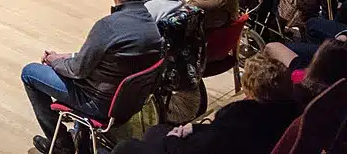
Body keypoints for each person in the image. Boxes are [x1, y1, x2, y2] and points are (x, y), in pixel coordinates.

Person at [21, 0, 163, 154]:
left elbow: (77, 70)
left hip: (95, 101)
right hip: (128, 103)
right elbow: (103, 60)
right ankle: (79, 137)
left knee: (30, 73)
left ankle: (62, 145)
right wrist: (67, 56)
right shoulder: (152, 27)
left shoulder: (108, 26)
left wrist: (53, 60)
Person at [111, 50, 298, 154]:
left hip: (191, 149)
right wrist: (195, 129)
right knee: (154, 132)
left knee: (126, 148)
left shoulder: (239, 116)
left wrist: (174, 139)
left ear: (250, 90)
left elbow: (201, 147)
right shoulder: (290, 110)